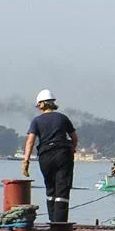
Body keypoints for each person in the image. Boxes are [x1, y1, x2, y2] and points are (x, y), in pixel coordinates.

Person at [22, 89, 78, 223]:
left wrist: (26, 162)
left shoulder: (36, 121)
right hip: (62, 155)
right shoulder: (62, 118)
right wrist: (72, 149)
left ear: (41, 104)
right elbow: (74, 138)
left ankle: (52, 221)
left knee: (50, 189)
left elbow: (30, 141)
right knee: (62, 189)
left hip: (45, 157)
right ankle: (60, 225)